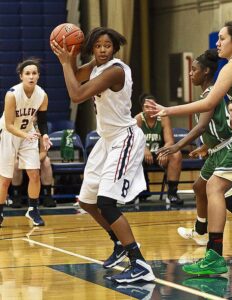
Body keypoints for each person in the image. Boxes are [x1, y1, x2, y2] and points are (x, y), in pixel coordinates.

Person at [51, 27, 155, 283]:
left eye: (107, 45)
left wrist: (65, 60)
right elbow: (75, 78)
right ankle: (119, 243)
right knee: (87, 202)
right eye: (97, 46)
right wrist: (71, 57)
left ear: (114, 48)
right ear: (91, 48)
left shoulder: (115, 70)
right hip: (106, 141)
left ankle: (139, 262)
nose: (102, 50)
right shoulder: (94, 66)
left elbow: (76, 94)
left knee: (106, 202)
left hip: (124, 138)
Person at [145, 21, 232, 275]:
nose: (218, 43)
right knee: (215, 189)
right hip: (230, 140)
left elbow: (208, 103)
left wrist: (168, 110)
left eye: (222, 38)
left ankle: (214, 255)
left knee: (214, 186)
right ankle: (209, 246)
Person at [157, 49, 232, 246]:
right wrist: (205, 146)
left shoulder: (212, 93)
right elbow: (214, 127)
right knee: (199, 187)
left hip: (226, 150)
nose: (190, 73)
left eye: (194, 70)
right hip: (215, 151)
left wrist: (177, 145)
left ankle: (204, 234)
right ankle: (201, 232)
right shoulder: (207, 93)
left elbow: (202, 126)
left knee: (228, 197)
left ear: (205, 72)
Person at [0, 58, 52, 226]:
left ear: (38, 76)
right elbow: (8, 125)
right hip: (9, 134)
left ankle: (33, 210)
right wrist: (25, 135)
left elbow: (42, 121)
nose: (31, 76)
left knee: (34, 173)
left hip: (28, 133)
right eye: (27, 73)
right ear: (21, 76)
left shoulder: (42, 95)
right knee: (5, 179)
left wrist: (44, 135)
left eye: (34, 73)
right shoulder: (12, 94)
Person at [135, 93, 183, 204]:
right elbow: (134, 142)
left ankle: (172, 194)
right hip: (142, 155)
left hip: (159, 155)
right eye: (147, 107)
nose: (150, 109)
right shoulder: (138, 119)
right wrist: (144, 149)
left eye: (153, 107)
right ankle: (135, 193)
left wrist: (163, 152)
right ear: (142, 108)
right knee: (131, 155)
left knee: (176, 154)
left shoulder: (163, 118)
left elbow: (170, 141)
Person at [9, 131, 56, 208]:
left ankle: (47, 195)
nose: (33, 118)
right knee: (16, 163)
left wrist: (34, 161)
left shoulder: (40, 131)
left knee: (46, 161)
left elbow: (43, 152)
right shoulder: (18, 130)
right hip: (20, 158)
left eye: (34, 117)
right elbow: (14, 152)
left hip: (36, 159)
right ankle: (16, 196)